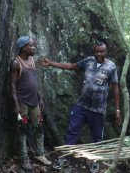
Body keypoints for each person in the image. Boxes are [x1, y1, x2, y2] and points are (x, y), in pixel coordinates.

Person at [37, 41, 122, 172]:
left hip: (97, 109)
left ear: (106, 52)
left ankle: (96, 161)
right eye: (96, 51)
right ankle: (64, 159)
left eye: (101, 51)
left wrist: (117, 109)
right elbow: (71, 66)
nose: (98, 54)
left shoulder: (111, 67)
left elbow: (115, 87)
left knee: (97, 137)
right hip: (81, 106)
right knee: (72, 132)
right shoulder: (88, 61)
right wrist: (51, 63)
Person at [10, 36, 51, 172]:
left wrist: (40, 99)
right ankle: (23, 157)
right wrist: (16, 105)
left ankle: (39, 153)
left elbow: (35, 82)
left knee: (39, 126)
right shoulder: (16, 63)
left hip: (34, 102)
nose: (34, 48)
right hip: (22, 102)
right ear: (24, 48)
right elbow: (12, 86)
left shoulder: (32, 61)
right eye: (31, 46)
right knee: (22, 128)